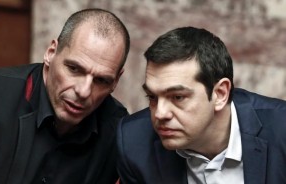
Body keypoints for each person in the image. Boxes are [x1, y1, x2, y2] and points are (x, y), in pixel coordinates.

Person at [117, 27, 286, 184]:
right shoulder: (134, 142)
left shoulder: (281, 130)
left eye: (177, 97)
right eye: (152, 97)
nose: (160, 114)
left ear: (220, 94)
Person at [0, 8, 130, 184]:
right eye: (74, 69)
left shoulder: (119, 131)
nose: (83, 91)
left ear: (116, 81)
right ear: (51, 52)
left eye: (101, 80)